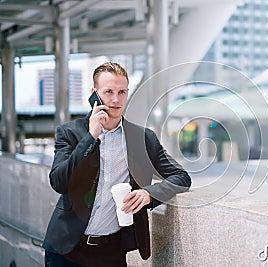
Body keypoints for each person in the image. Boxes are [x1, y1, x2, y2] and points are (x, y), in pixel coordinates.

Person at [42, 62, 191, 267]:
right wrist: (91, 137)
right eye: (108, 91)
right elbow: (59, 182)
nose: (115, 99)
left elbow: (182, 177)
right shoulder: (70, 133)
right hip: (67, 250)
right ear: (95, 93)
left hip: (111, 252)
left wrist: (149, 194)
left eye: (122, 92)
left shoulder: (143, 139)